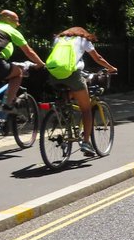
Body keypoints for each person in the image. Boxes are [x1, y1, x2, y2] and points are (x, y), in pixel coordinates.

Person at [45, 27, 118, 157]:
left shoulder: (58, 39)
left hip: (53, 75)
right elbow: (98, 58)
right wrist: (111, 68)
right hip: (73, 74)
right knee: (86, 109)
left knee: (68, 94)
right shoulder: (82, 39)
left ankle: (61, 113)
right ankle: (85, 142)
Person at [0, 10, 46, 111]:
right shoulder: (11, 30)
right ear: (8, 19)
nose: (18, 24)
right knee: (18, 72)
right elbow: (29, 52)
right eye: (16, 21)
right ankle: (8, 104)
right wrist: (41, 64)